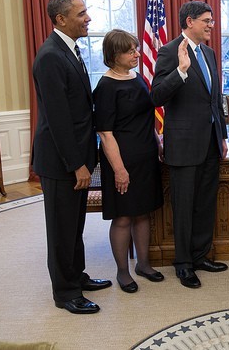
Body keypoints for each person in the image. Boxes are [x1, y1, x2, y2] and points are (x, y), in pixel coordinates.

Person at [32, 0, 111, 314]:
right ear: (61, 19)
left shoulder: (69, 51)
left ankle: (76, 276)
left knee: (74, 225)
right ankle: (65, 293)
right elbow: (59, 118)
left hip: (75, 157)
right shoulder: (50, 56)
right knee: (62, 230)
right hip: (61, 161)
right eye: (81, 14)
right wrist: (77, 164)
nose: (88, 18)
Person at [150, 1, 228, 289]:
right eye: (206, 20)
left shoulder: (208, 53)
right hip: (183, 144)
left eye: (212, 21)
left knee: (205, 202)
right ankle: (183, 264)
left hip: (209, 141)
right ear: (190, 21)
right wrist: (181, 71)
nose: (211, 25)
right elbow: (156, 95)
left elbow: (214, 97)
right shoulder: (170, 52)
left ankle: (199, 255)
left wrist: (222, 135)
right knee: (183, 206)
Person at [94, 29, 165, 293]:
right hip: (121, 160)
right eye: (130, 50)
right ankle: (123, 271)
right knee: (123, 216)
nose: (137, 54)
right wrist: (119, 170)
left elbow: (147, 118)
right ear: (114, 55)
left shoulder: (137, 79)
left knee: (143, 212)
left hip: (145, 155)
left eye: (136, 48)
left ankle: (144, 264)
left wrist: (157, 144)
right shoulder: (105, 87)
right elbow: (105, 132)